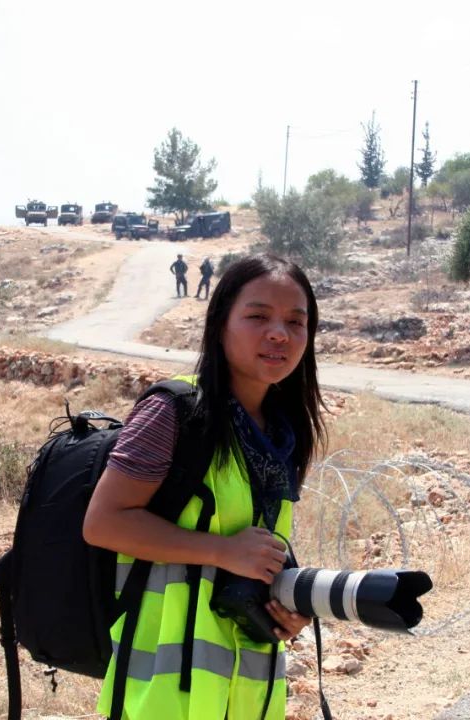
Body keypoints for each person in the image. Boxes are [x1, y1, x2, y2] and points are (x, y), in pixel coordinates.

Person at [84, 254, 327, 720]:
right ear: (220, 325)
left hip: (248, 696)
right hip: (164, 694)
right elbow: (103, 523)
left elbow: (257, 549)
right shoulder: (175, 412)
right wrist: (221, 551)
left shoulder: (282, 433)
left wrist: (286, 606)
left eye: (296, 322)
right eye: (258, 316)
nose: (279, 333)